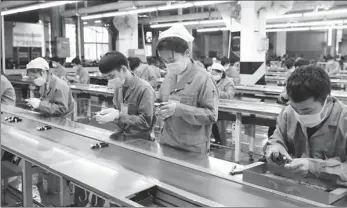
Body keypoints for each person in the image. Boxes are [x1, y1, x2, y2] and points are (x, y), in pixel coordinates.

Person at [264, 65, 347, 186]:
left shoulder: (344, 120)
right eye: (295, 108)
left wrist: (314, 167)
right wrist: (275, 149)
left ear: (327, 101)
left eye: (307, 111)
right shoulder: (288, 113)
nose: (299, 115)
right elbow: (276, 140)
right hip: (297, 190)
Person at [156, 24, 219, 154]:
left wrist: (179, 110)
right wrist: (158, 109)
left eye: (172, 59)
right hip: (167, 142)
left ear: (186, 53)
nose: (168, 64)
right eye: (164, 61)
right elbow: (160, 100)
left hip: (192, 148)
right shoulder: (169, 77)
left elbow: (211, 115)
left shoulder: (202, 79)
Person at [95, 51, 156, 140]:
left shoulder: (145, 89)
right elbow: (118, 114)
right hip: (120, 135)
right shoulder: (118, 87)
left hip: (140, 140)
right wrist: (107, 117)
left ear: (123, 69)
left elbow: (146, 122)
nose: (109, 80)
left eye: (111, 76)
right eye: (106, 77)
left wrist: (119, 115)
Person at [210, 63, 235, 145]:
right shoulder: (211, 80)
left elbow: (230, 95)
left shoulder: (228, 82)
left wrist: (216, 93)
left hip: (225, 109)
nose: (214, 76)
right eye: (212, 74)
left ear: (221, 73)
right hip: (214, 106)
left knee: (212, 117)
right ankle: (214, 139)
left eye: (216, 74)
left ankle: (219, 140)